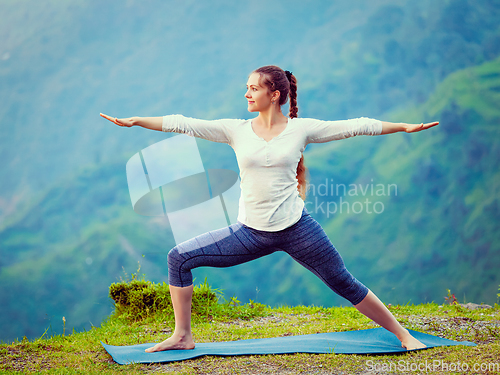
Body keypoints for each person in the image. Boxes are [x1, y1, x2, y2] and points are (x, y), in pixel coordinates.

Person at [100, 65, 438, 353]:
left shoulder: (300, 130)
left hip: (298, 230)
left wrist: (404, 127)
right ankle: (182, 335)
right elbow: (184, 123)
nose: (246, 94)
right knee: (179, 258)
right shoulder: (235, 130)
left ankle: (403, 335)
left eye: (252, 89)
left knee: (344, 282)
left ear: (273, 94)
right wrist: (137, 121)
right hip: (250, 233)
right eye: (246, 88)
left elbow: (358, 125)